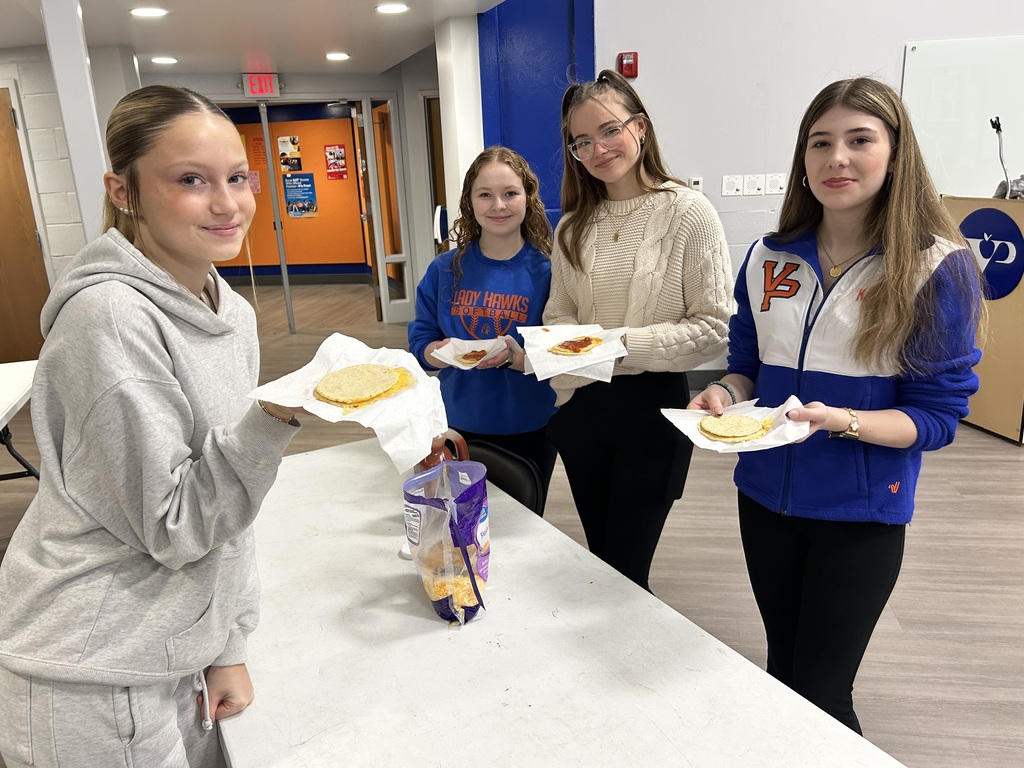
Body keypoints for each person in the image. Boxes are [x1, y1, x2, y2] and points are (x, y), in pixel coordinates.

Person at [0, 85, 306, 767]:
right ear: (125, 190)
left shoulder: (230, 311)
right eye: (191, 180)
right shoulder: (109, 319)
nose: (228, 204)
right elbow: (176, 522)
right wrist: (276, 417)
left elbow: (228, 508)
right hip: (90, 669)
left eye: (237, 178)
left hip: (172, 647)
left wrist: (226, 646)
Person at [688, 77, 983, 734]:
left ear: (896, 153)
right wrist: (724, 395)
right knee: (782, 672)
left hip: (862, 513)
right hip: (764, 499)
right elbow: (748, 367)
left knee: (823, 693)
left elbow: (936, 418)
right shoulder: (768, 257)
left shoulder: (937, 266)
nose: (836, 159)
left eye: (859, 140)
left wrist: (840, 422)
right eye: (820, 143)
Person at [545, 70, 734, 590]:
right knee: (600, 558)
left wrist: (613, 346)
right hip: (582, 408)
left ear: (641, 128)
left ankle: (627, 662)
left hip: (653, 413)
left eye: (609, 130)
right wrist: (576, 347)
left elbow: (713, 329)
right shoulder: (572, 225)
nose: (598, 149)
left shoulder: (690, 213)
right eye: (582, 141)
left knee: (628, 568)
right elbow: (557, 314)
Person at [408, 146, 557, 503]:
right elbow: (421, 340)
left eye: (510, 194)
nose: (499, 206)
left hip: (531, 427)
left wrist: (518, 357)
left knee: (521, 530)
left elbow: (560, 352)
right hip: (458, 426)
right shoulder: (444, 269)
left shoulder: (550, 271)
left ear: (528, 197)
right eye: (485, 195)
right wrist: (437, 353)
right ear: (470, 203)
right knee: (462, 529)